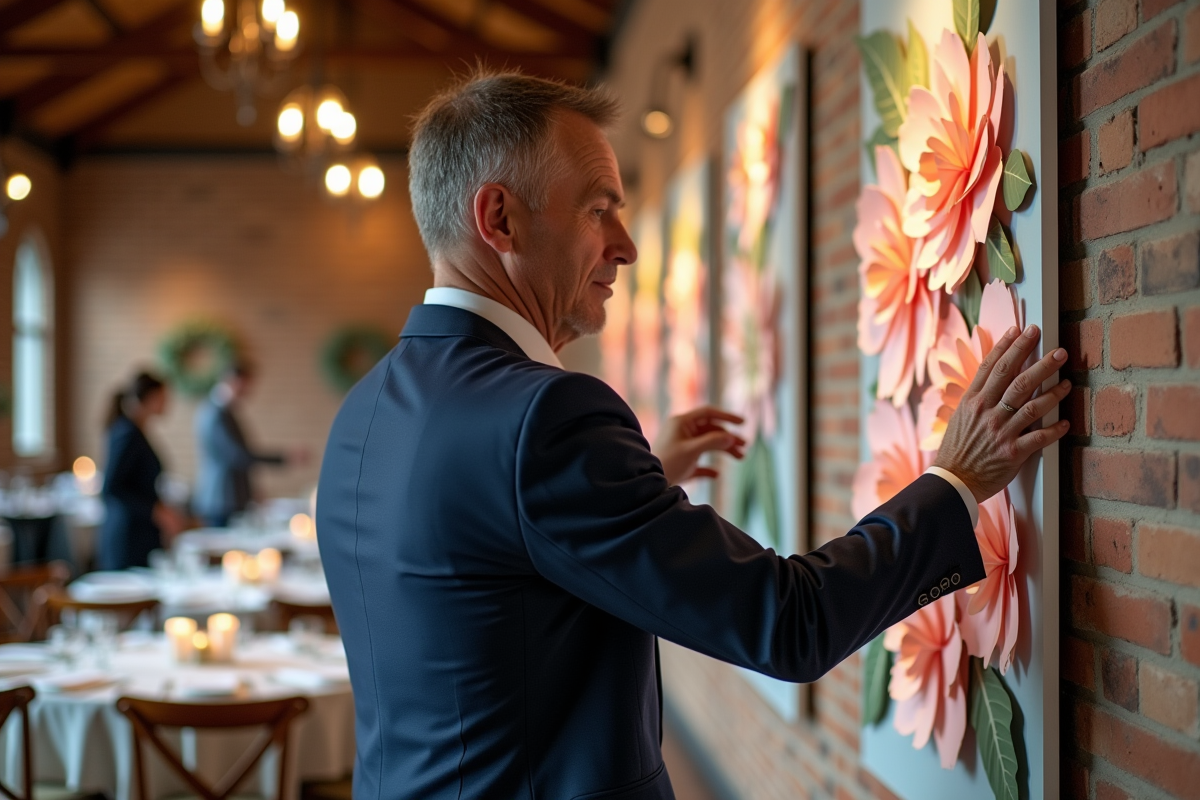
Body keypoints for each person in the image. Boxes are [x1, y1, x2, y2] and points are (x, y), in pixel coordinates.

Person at [316, 72, 1072, 800]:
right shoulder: (545, 420)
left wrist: (633, 474)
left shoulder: (362, 411)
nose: (625, 245)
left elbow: (486, 571)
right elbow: (790, 624)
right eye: (597, 209)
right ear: (499, 219)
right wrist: (955, 482)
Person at [193, 362, 300, 527]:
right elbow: (238, 456)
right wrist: (283, 457)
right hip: (222, 498)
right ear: (233, 381)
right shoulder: (216, 414)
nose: (247, 392)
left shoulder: (222, 411)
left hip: (229, 497)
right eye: (245, 387)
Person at [99, 371, 183, 570]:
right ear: (151, 398)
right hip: (127, 535)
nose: (167, 403)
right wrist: (155, 511)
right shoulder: (127, 433)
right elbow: (111, 487)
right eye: (163, 397)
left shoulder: (137, 430)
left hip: (140, 531)